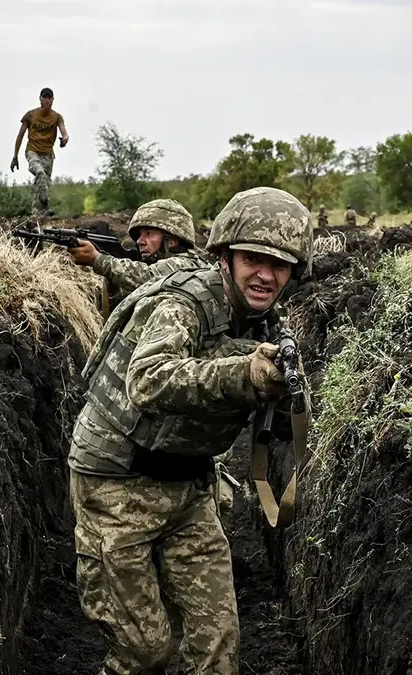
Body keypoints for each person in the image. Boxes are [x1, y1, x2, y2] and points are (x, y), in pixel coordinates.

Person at [68, 186, 313, 674]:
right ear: (226, 256)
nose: (266, 275)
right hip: (117, 483)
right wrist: (243, 374)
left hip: (189, 485)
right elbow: (147, 379)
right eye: (253, 259)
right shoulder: (185, 304)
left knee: (216, 646)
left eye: (280, 264)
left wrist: (282, 394)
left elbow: (279, 423)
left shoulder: (266, 323)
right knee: (145, 652)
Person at [66, 198, 208, 299]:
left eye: (149, 234)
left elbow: (147, 276)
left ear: (172, 241)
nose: (140, 241)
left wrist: (98, 259)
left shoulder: (186, 265)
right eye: (140, 235)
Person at [11, 87, 68, 216]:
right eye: (44, 97)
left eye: (49, 98)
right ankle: (45, 204)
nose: (46, 100)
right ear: (40, 99)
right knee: (40, 173)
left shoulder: (57, 117)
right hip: (33, 151)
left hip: (48, 154)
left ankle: (37, 214)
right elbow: (20, 136)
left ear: (52, 100)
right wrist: (15, 156)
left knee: (43, 184)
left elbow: (64, 132)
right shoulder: (31, 115)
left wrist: (65, 139)